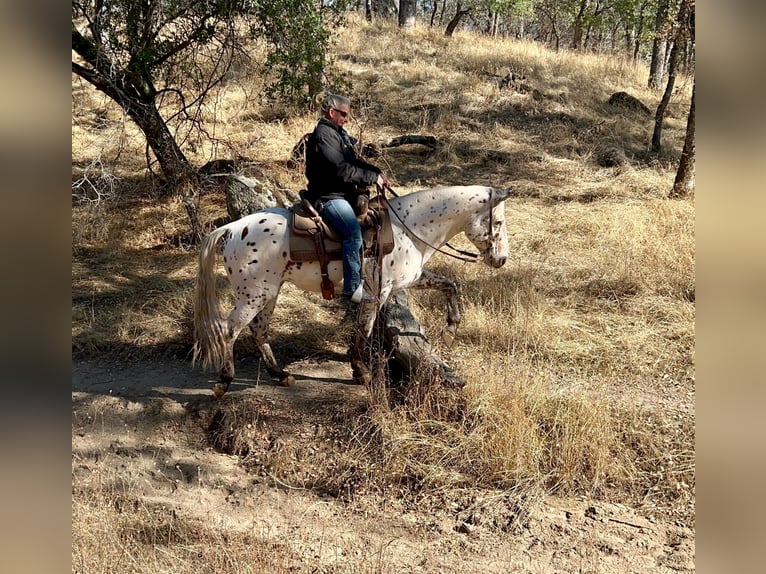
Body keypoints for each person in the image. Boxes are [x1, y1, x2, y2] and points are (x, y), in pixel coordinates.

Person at [304, 92, 389, 303]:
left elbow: (354, 162)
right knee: (352, 233)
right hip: (327, 197)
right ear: (331, 112)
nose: (346, 118)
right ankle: (352, 289)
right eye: (343, 114)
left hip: (339, 194)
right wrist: (370, 177)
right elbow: (341, 170)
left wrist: (375, 172)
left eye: (347, 115)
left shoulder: (337, 133)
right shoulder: (325, 135)